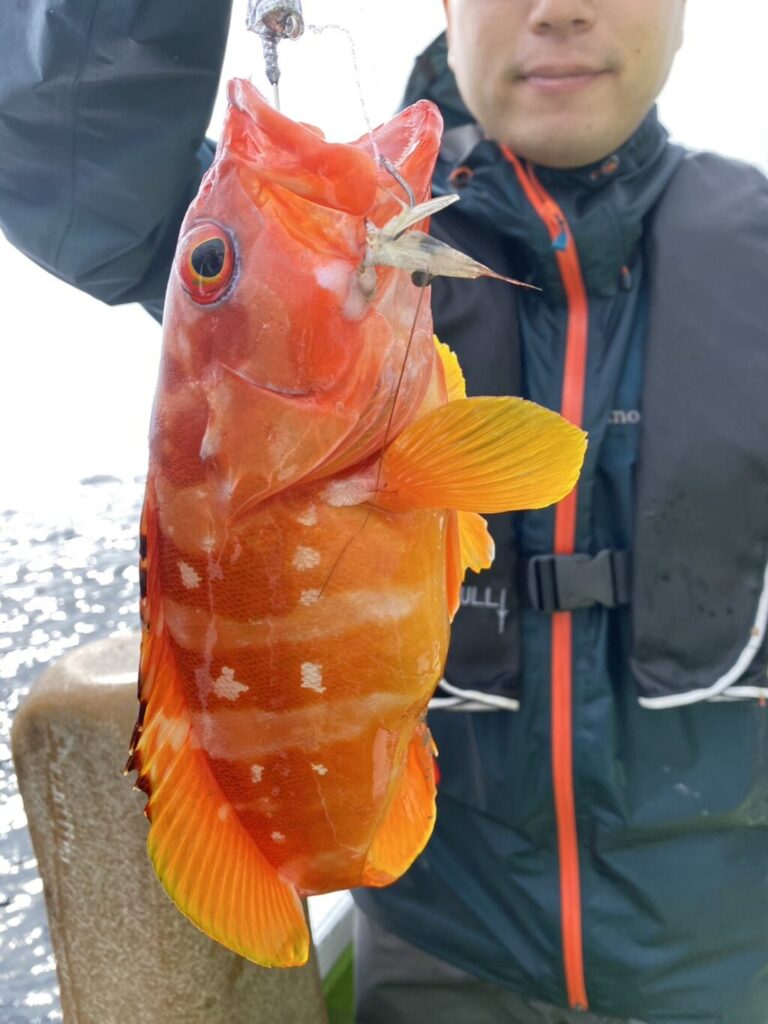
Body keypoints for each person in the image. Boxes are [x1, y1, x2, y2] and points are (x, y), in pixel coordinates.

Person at [1, 2, 767, 1022]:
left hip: (730, 955)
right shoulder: (349, 237)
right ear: (449, 11)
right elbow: (69, 158)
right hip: (440, 947)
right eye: (211, 265)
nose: (561, 8)